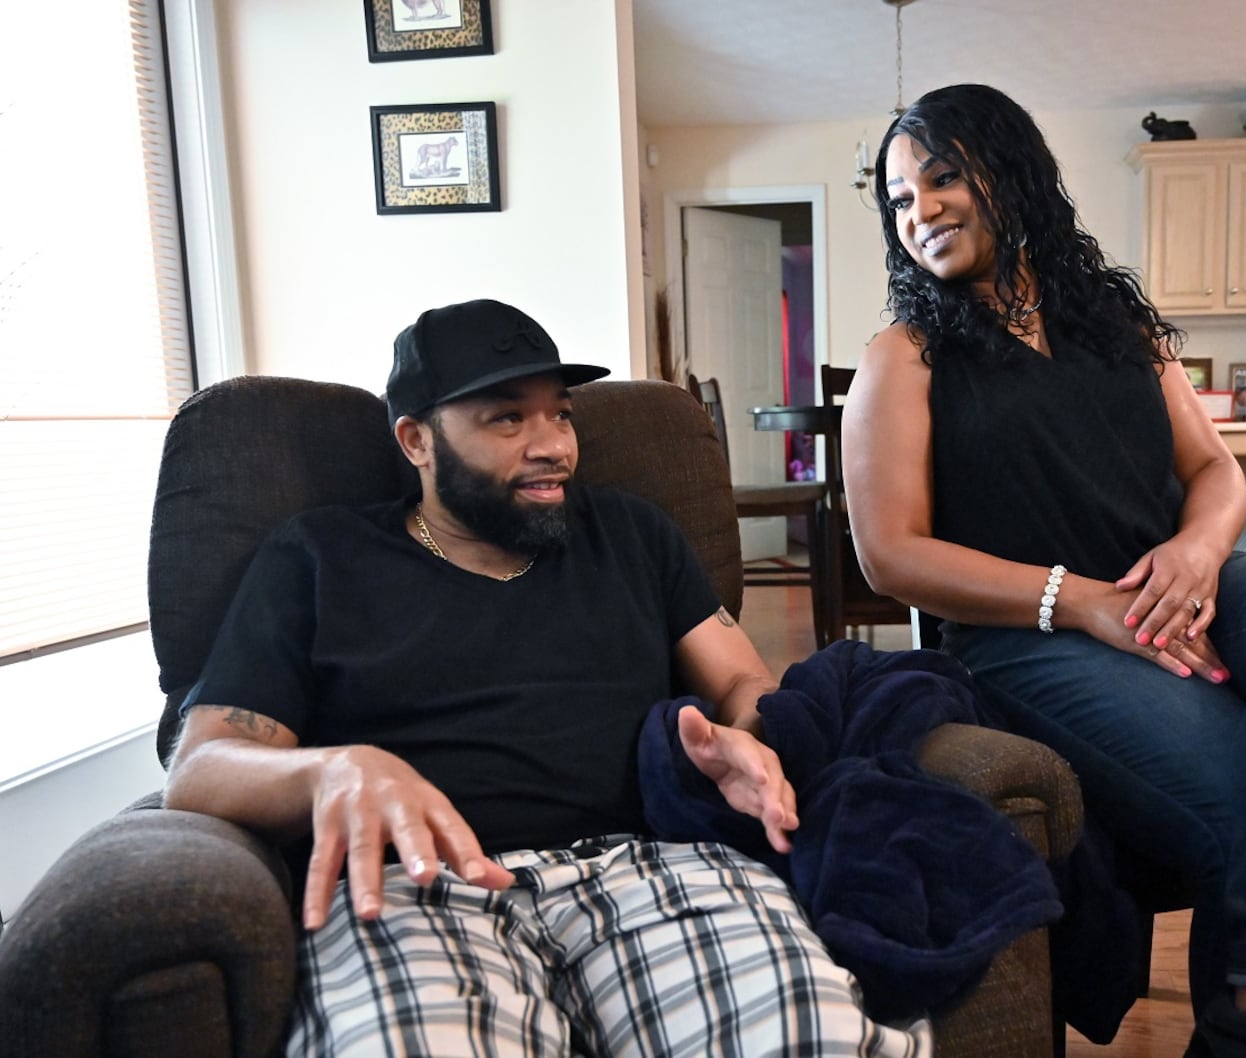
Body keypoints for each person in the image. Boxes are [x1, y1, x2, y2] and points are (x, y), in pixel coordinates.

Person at [162, 298, 932, 1057]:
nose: (554, 446)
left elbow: (742, 683)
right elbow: (198, 770)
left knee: (810, 1036)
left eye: (559, 415)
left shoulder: (631, 532)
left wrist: (748, 735)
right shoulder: (318, 558)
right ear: (416, 440)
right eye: (507, 419)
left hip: (649, 866)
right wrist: (333, 770)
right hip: (417, 885)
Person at [843, 84, 1246, 1058]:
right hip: (1030, 636)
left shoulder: (1113, 318)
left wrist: (1199, 551)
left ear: (1009, 166)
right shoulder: (904, 356)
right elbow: (889, 551)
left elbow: (1211, 468)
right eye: (899, 201)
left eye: (941, 177)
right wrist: (1079, 601)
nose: (921, 212)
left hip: (1177, 586)